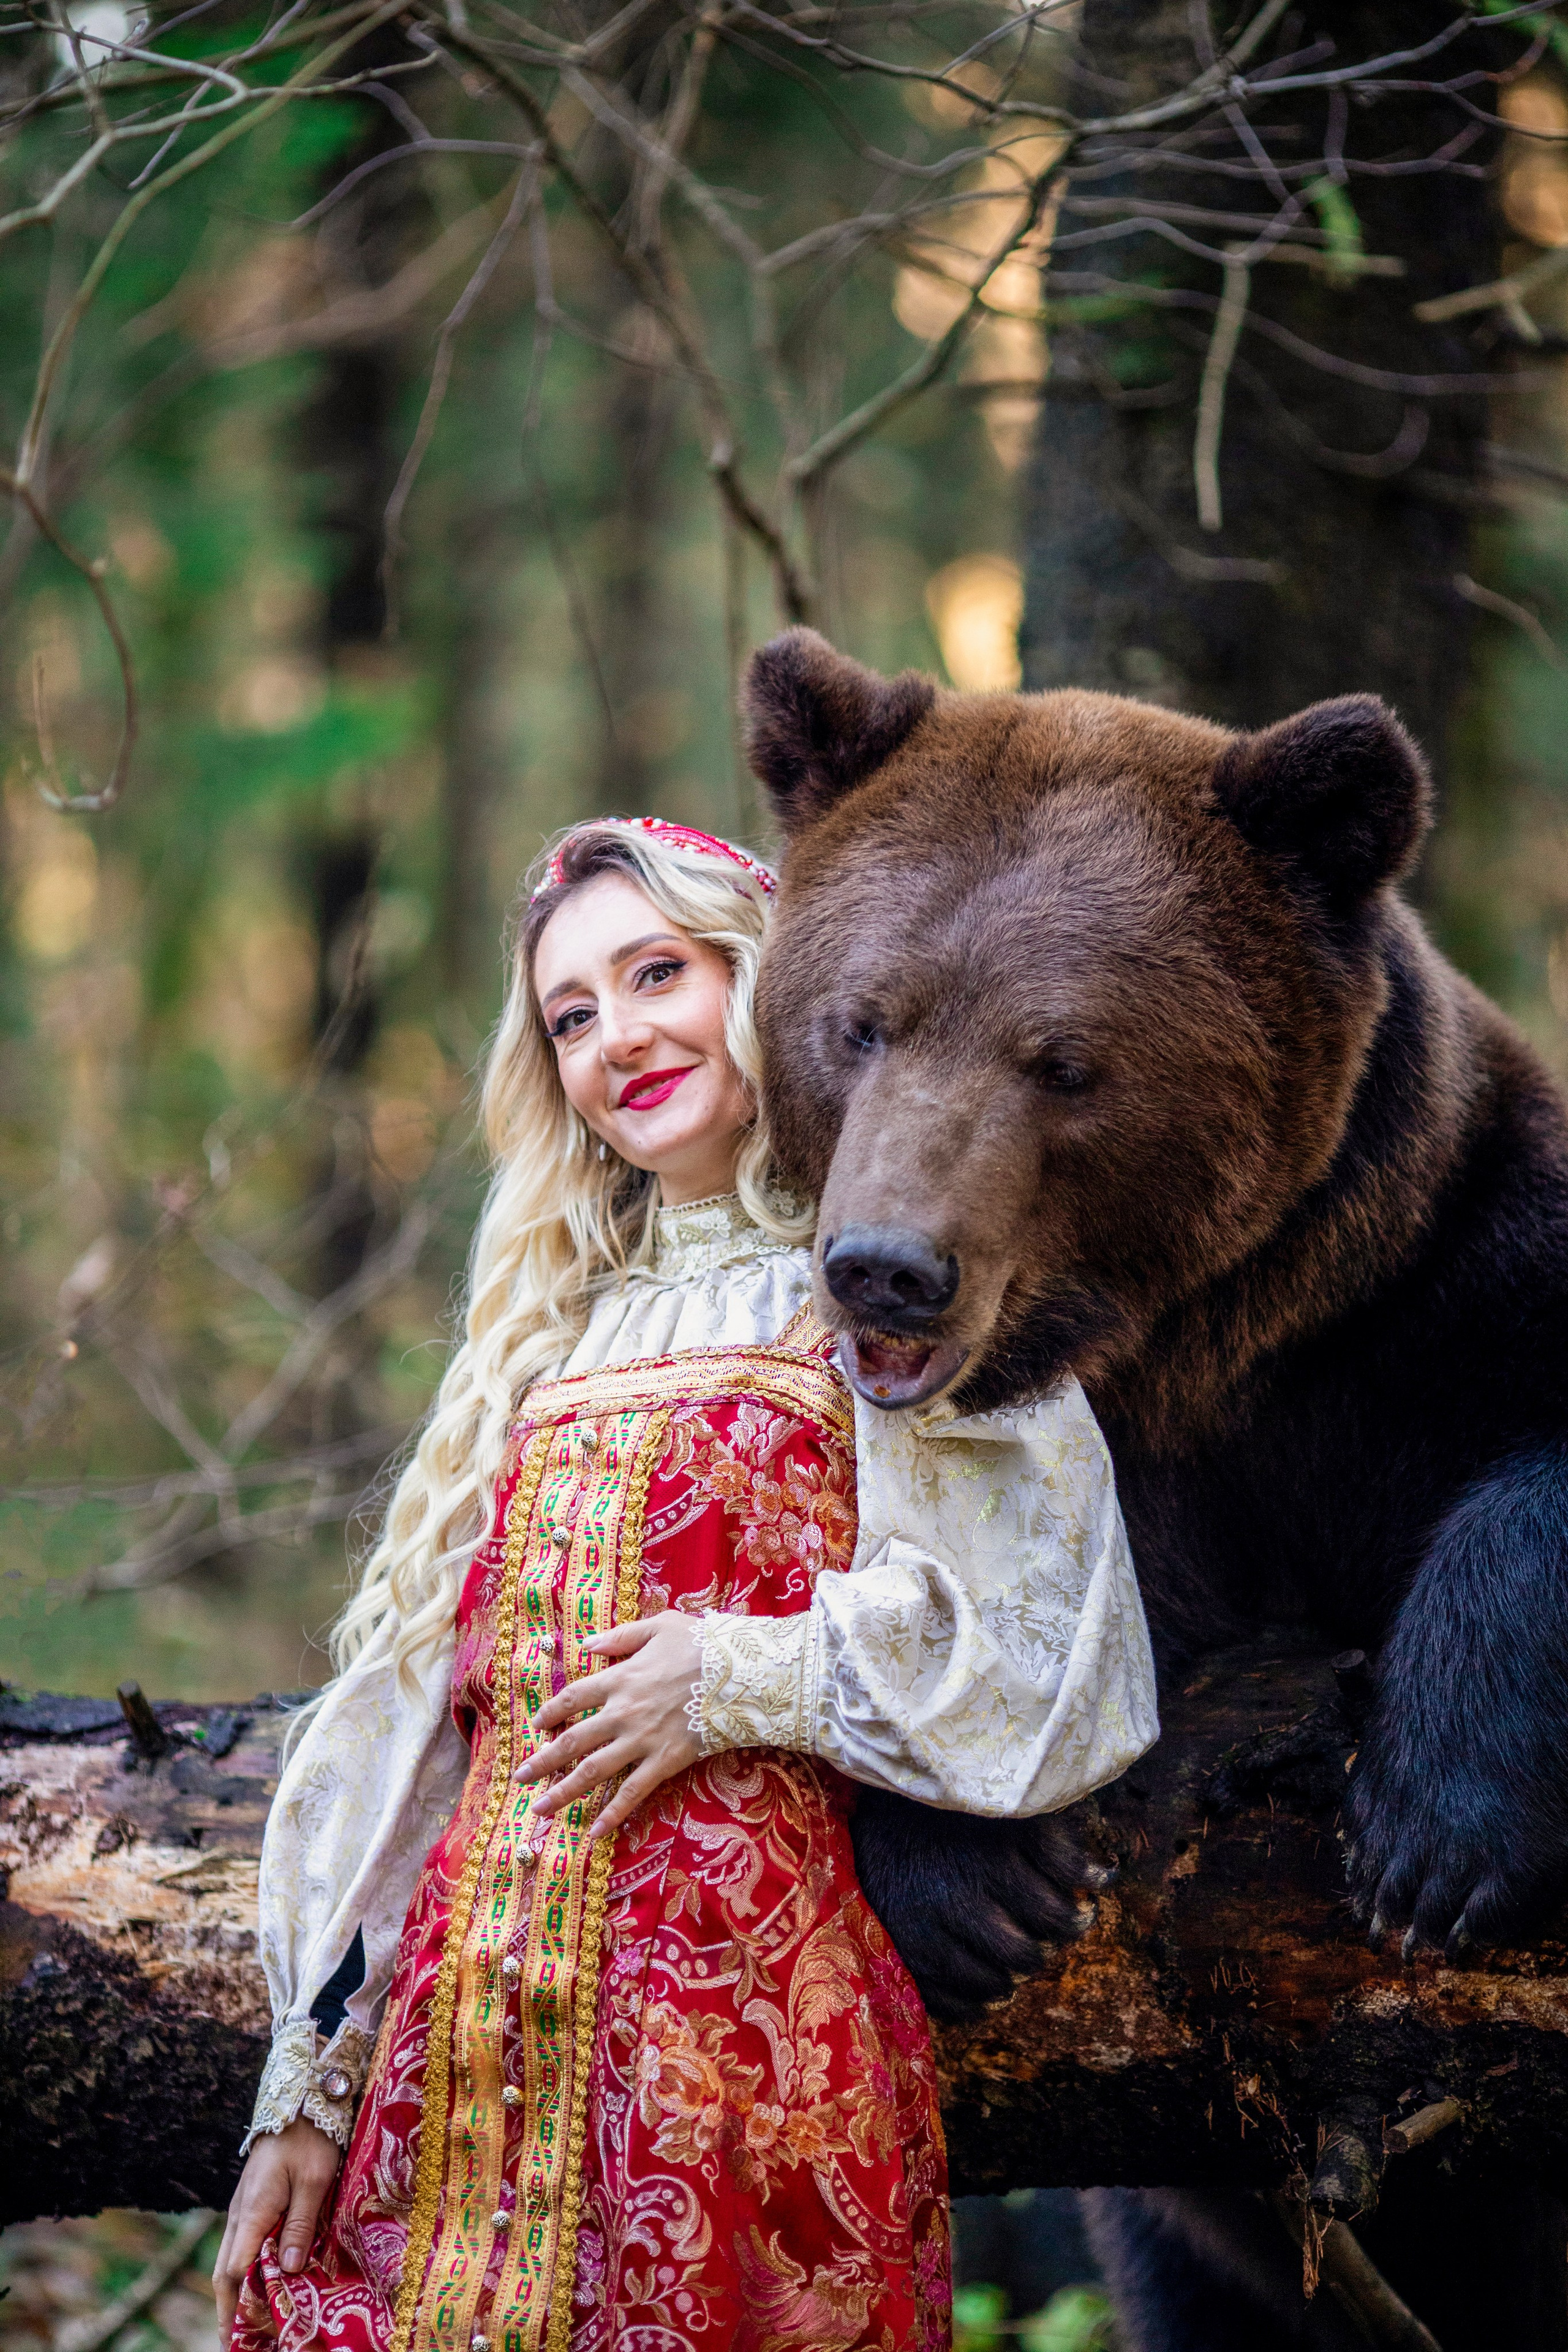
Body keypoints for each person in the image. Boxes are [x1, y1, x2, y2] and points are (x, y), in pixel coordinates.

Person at [216, 816, 1159, 2352]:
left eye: (658, 973)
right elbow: (408, 1739)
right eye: (570, 1016)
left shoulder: (895, 1283)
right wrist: (305, 2084)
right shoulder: (542, 1337)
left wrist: (741, 1673)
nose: (616, 1036)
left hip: (739, 2063)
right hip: (462, 2061)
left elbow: (1057, 1653)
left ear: (769, 980)